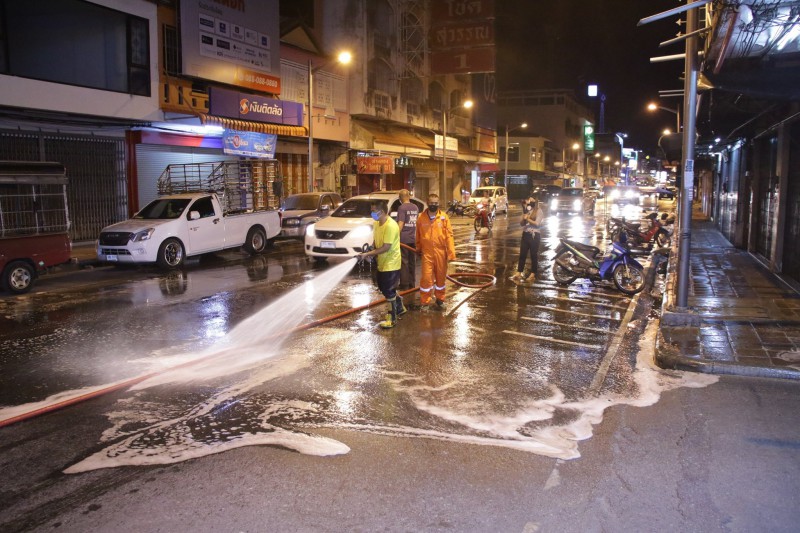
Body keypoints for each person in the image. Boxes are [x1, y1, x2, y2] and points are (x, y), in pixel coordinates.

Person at [358, 201, 406, 328]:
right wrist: (370, 250)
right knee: (384, 287)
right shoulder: (376, 223)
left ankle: (392, 318)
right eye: (371, 210)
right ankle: (400, 306)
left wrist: (369, 254)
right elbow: (376, 241)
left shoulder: (391, 226)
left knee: (388, 290)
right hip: (382, 261)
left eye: (374, 211)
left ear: (382, 212)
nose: (372, 213)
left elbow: (386, 247)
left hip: (391, 262)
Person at [416, 193, 456, 309]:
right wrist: (418, 248)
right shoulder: (421, 218)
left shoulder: (444, 217)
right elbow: (418, 235)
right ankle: (425, 301)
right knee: (426, 278)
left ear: (439, 203)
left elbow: (449, 236)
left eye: (436, 203)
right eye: (431, 203)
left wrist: (451, 253)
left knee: (440, 278)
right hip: (427, 253)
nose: (433, 205)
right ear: (427, 203)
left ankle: (440, 299)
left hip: (441, 252)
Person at [511, 195, 544, 283]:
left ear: (535, 202)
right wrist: (523, 218)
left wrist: (528, 219)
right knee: (522, 254)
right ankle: (518, 272)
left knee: (533, 255)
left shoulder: (539, 211)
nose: (529, 202)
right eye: (529, 200)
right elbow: (522, 224)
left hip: (534, 235)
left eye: (531, 200)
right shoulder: (527, 210)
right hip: (525, 234)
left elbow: (537, 224)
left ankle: (533, 274)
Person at [396, 189, 419, 290]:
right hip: (413, 238)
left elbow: (401, 223)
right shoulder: (415, 207)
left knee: (404, 262)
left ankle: (404, 284)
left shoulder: (402, 208)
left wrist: (395, 236)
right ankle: (412, 283)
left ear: (400, 198)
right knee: (412, 262)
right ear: (408, 196)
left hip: (404, 239)